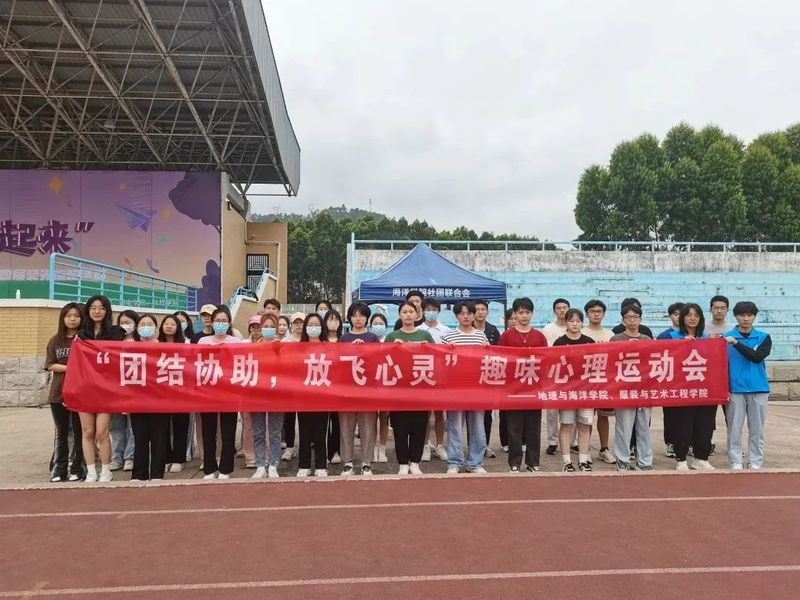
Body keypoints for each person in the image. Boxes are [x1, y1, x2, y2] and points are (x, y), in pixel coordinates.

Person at [78, 294, 125, 482]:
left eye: (101, 308)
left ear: (107, 311)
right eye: (93, 308)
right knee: (87, 432)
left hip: (106, 390)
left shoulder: (116, 332)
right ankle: (91, 471)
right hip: (85, 389)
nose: (97, 311)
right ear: (88, 311)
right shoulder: (81, 334)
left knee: (102, 432)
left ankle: (106, 470)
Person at [498, 297, 547, 473]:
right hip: (513, 390)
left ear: (532, 314)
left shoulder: (539, 336)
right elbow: (500, 360)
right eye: (521, 312)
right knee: (514, 428)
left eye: (527, 312)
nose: (524, 316)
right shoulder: (506, 336)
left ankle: (533, 462)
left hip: (534, 389)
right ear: (515, 314)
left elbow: (546, 360)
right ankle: (515, 462)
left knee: (534, 428)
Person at [385, 301, 434, 475]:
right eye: (404, 312)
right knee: (400, 427)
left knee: (419, 427)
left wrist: (426, 348)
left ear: (417, 314)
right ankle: (402, 462)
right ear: (399, 315)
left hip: (420, 389)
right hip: (398, 390)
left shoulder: (425, 335)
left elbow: (436, 359)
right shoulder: (392, 336)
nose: (407, 315)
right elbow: (384, 360)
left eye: (411, 311)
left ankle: (415, 461)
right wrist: (393, 348)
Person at [441, 301, 489, 474]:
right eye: (462, 313)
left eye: (469, 313)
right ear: (456, 316)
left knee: (478, 427)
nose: (466, 316)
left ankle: (475, 463)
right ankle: (454, 462)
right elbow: (441, 361)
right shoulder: (448, 337)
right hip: (455, 389)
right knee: (455, 426)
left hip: (477, 389)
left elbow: (488, 360)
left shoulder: (481, 337)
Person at [666, 303, 715, 471]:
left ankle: (701, 458)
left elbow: (715, 363)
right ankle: (681, 458)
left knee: (705, 424)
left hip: (705, 389)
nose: (693, 318)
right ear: (682, 318)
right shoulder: (672, 337)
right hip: (682, 389)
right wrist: (681, 345)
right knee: (683, 425)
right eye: (689, 315)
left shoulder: (708, 338)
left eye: (696, 315)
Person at [724, 301, 771, 470]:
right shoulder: (725, 338)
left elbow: (757, 357)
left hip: (759, 388)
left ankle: (756, 461)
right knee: (734, 428)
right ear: (735, 316)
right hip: (735, 389)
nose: (745, 319)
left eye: (749, 315)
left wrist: (736, 344)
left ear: (754, 316)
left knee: (757, 429)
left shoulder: (763, 337)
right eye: (741, 315)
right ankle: (735, 460)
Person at [198, 308, 242, 479]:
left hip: (229, 392)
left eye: (224, 321)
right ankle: (209, 468)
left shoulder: (236, 342)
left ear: (229, 323)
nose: (220, 324)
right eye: (217, 320)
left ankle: (225, 469)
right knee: (208, 431)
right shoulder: (203, 341)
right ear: (212, 322)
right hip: (207, 392)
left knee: (228, 431)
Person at [45, 302, 86, 482]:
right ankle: (59, 469)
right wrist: (70, 368)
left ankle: (77, 468)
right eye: (68, 316)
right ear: (63, 318)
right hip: (58, 393)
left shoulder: (84, 340)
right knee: (61, 433)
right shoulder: (55, 340)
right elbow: (50, 364)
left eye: (76, 315)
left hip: (79, 393)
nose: (72, 319)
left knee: (79, 432)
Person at [339, 302, 380, 476]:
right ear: (349, 318)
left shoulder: (372, 338)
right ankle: (347, 462)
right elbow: (337, 362)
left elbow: (378, 361)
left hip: (367, 391)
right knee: (346, 427)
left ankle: (366, 462)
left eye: (362, 315)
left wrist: (365, 350)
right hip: (347, 390)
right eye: (354, 315)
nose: (358, 318)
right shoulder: (344, 338)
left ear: (367, 318)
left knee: (368, 428)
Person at [611, 303, 653, 471]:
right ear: (623, 320)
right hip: (624, 389)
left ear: (640, 319)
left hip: (644, 389)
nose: (632, 320)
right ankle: (623, 459)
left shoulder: (647, 339)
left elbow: (653, 362)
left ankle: (645, 461)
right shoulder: (616, 339)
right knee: (624, 426)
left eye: (635, 317)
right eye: (628, 317)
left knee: (644, 427)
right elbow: (611, 362)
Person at [553, 309, 595, 472]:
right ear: (566, 322)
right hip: (567, 392)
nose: (575, 324)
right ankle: (567, 462)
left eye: (578, 321)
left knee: (584, 426)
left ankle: (583, 460)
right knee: (566, 425)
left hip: (586, 392)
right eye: (571, 321)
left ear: (582, 323)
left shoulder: (589, 342)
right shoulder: (559, 343)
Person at [128, 314, 169, 481]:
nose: (146, 327)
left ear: (156, 328)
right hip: (137, 400)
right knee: (140, 437)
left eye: (149, 324)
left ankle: (157, 474)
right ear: (137, 328)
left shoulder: (166, 348)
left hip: (160, 400)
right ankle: (139, 474)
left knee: (160, 438)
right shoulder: (131, 349)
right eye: (142, 324)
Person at [581, 299, 615, 463]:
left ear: (604, 314)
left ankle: (604, 449)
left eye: (599, 311)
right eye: (592, 311)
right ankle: (585, 449)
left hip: (604, 382)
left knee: (603, 416)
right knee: (585, 418)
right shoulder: (580, 332)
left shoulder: (610, 335)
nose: (596, 314)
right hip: (585, 382)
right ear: (587, 313)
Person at [297, 313, 330, 477]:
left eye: (317, 324)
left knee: (320, 433)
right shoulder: (298, 348)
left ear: (322, 327)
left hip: (323, 397)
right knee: (304, 432)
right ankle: (303, 465)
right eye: (310, 324)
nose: (313, 328)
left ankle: (321, 465)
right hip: (303, 397)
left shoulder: (329, 347)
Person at [417, 298, 450, 462]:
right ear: (422, 311)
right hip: (422, 375)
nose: (431, 312)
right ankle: (424, 445)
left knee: (439, 413)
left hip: (440, 376)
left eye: (434, 309)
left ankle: (439, 445)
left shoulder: (446, 331)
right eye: (428, 309)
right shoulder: (418, 330)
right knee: (425, 414)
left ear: (439, 311)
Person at [252, 313, 283, 478]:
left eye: (272, 326)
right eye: (266, 326)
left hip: (276, 394)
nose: (268, 329)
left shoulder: (282, 346)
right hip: (256, 394)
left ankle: (273, 464)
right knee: (258, 430)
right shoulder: (251, 347)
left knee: (275, 431)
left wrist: (279, 350)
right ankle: (260, 465)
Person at [158, 314, 190, 473]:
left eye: (172, 324)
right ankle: (166, 458)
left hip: (180, 393)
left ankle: (179, 458)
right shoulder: (155, 345)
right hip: (160, 392)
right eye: (166, 324)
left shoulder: (186, 344)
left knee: (180, 426)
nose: (169, 326)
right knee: (162, 426)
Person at [109, 309, 138, 472]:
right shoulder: (112, 340)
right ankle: (117, 457)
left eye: (128, 322)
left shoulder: (141, 341)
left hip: (135, 388)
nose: (125, 325)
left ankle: (130, 457)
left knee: (133, 427)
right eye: (122, 322)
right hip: (116, 388)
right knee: (117, 426)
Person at [656, 302, 685, 459]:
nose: (678, 317)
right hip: (670, 380)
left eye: (681, 314)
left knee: (688, 414)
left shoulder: (696, 335)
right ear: (670, 316)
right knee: (671, 414)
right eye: (675, 314)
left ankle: (688, 442)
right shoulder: (664, 336)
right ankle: (671, 443)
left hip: (689, 379)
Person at [473, 299, 500, 458]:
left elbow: (500, 352)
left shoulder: (493, 331)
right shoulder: (468, 329)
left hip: (489, 377)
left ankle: (485, 445)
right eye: (477, 309)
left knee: (487, 414)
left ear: (487, 312)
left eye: (483, 309)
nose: (480, 312)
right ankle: (473, 445)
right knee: (472, 414)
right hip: (472, 378)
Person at [542, 298, 570, 456]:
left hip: (572, 375)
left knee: (572, 407)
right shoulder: (548, 329)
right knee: (552, 410)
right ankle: (552, 441)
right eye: (558, 308)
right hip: (553, 372)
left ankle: (572, 441)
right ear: (554, 311)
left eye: (564, 307)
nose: (562, 310)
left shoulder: (576, 326)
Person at [280, 312, 305, 461]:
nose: (298, 325)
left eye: (301, 322)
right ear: (292, 325)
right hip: (289, 386)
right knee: (289, 418)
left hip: (306, 385)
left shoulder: (309, 340)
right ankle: (290, 447)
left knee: (305, 418)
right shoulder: (285, 341)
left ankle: (307, 445)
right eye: (296, 322)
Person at [369, 312, 391, 462]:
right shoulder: (368, 340)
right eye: (375, 324)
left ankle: (382, 448)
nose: (378, 326)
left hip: (387, 384)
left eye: (381, 324)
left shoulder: (390, 341)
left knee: (384, 418)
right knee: (370, 419)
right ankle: (371, 448)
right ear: (370, 326)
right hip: (370, 385)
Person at [325, 309, 344, 464]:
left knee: (337, 422)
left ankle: (336, 450)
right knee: (324, 422)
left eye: (336, 319)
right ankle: (325, 451)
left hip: (340, 388)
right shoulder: (320, 340)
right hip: (323, 387)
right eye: (330, 319)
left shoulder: (344, 340)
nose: (333, 322)